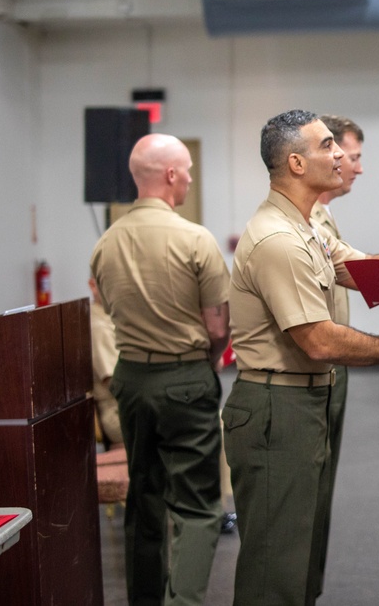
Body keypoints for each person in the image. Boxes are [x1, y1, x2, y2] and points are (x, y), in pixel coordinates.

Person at [222, 109, 379, 606]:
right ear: (296, 163)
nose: (340, 155)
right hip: (277, 409)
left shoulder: (306, 225)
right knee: (273, 569)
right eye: (327, 146)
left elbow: (355, 269)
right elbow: (318, 341)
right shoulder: (278, 239)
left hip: (301, 403)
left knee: (299, 553)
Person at [90, 133, 231, 606]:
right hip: (185, 378)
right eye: (187, 169)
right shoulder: (195, 239)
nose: (190, 177)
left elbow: (109, 311)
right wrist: (203, 366)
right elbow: (217, 327)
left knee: (143, 500)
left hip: (131, 380)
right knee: (197, 507)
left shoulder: (105, 245)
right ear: (170, 175)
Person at [308, 113, 364, 587]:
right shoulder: (302, 219)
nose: (358, 168)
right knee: (310, 489)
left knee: (321, 486)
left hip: (333, 364)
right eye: (353, 156)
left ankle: (310, 587)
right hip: (316, 366)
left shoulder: (323, 216)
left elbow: (356, 268)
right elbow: (356, 272)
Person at [88, 277, 123, 447]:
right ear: (93, 285)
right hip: (117, 413)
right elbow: (114, 382)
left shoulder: (113, 316)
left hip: (128, 408)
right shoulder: (98, 326)